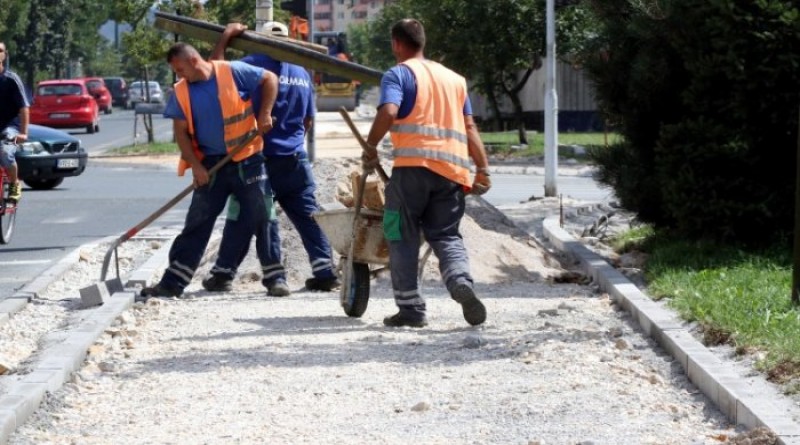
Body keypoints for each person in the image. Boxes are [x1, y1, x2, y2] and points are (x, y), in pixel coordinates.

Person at [362, 19, 492, 328]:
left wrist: (370, 145)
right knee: (446, 235)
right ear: (423, 42)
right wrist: (483, 169)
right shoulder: (456, 80)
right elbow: (470, 127)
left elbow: (390, 111)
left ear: (396, 44)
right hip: (452, 173)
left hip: (411, 172)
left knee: (399, 233)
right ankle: (460, 282)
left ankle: (411, 309)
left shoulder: (398, 74)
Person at [201, 23, 340, 297]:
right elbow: (308, 119)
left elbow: (213, 74)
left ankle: (271, 279)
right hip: (295, 159)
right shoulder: (301, 72)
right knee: (308, 216)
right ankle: (325, 272)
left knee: (252, 215)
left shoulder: (251, 65)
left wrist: (226, 36)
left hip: (259, 158)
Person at [138, 42, 278, 299]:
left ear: (193, 60)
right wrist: (197, 167)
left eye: (181, 69)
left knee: (262, 215)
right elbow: (180, 133)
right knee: (198, 222)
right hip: (212, 164)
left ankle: (275, 277)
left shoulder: (232, 71)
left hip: (248, 158)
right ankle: (173, 282)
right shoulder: (180, 92)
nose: (180, 76)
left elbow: (270, 79)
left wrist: (265, 114)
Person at [0, 41, 28, 202]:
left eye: (0, 50)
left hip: (9, 127)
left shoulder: (11, 79)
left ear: (5, 55)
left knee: (5, 152)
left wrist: (24, 133)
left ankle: (14, 184)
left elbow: (24, 108)